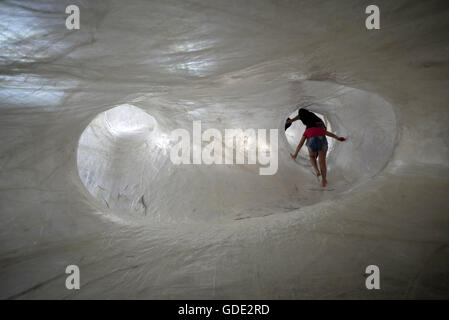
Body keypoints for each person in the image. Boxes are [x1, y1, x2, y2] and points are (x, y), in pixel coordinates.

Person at [288, 108, 346, 187]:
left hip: (311, 142)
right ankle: (324, 180)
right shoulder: (319, 127)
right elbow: (329, 134)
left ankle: (316, 170)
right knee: (322, 162)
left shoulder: (307, 131)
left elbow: (300, 144)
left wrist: (295, 155)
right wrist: (338, 138)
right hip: (322, 142)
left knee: (312, 156)